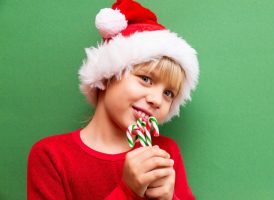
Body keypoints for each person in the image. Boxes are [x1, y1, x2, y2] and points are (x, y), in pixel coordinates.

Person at [27, 0, 199, 199]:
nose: (156, 100)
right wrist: (128, 191)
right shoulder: (51, 156)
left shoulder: (165, 154)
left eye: (168, 93)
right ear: (108, 75)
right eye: (145, 79)